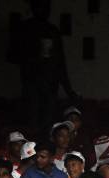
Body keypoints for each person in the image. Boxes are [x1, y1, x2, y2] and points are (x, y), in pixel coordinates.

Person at [8, 0, 78, 130]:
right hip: (31, 85)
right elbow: (11, 56)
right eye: (42, 6)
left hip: (50, 87)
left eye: (48, 7)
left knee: (48, 125)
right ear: (34, 8)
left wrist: (69, 90)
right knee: (32, 123)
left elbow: (61, 63)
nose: (46, 10)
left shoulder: (53, 30)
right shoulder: (24, 28)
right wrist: (34, 54)